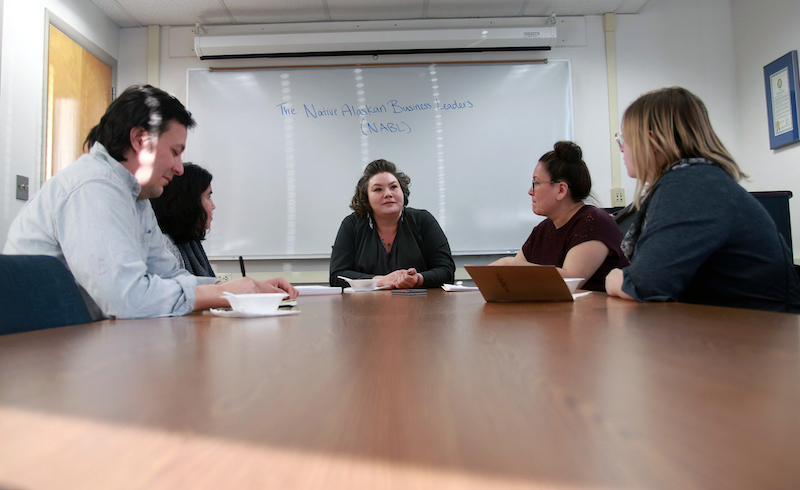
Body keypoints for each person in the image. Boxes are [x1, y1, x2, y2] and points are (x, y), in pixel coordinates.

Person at [4, 84, 297, 321]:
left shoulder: (135, 195)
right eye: (175, 151)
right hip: (45, 353)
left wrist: (244, 288)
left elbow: (168, 275)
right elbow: (127, 299)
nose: (180, 168)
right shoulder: (94, 187)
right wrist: (224, 294)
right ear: (140, 141)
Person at [605, 86, 800, 312]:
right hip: (736, 324)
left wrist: (616, 278)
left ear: (651, 141)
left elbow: (644, 285)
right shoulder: (698, 179)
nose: (622, 149)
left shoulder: (689, 184)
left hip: (764, 329)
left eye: (624, 140)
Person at [490, 141, 629, 291]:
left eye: (536, 183)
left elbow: (571, 282)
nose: (530, 191)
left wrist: (510, 265)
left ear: (561, 190)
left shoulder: (594, 223)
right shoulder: (543, 229)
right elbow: (511, 276)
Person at [329, 159, 455, 289]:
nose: (388, 194)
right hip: (368, 301)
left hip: (421, 300)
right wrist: (380, 281)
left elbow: (447, 271)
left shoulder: (423, 220)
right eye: (378, 189)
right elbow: (337, 276)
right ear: (366, 197)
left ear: (402, 191)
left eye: (393, 187)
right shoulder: (352, 225)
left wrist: (417, 279)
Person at [151, 162, 216, 277]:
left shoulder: (189, 242)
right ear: (189, 202)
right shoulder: (164, 247)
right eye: (208, 197)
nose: (213, 206)